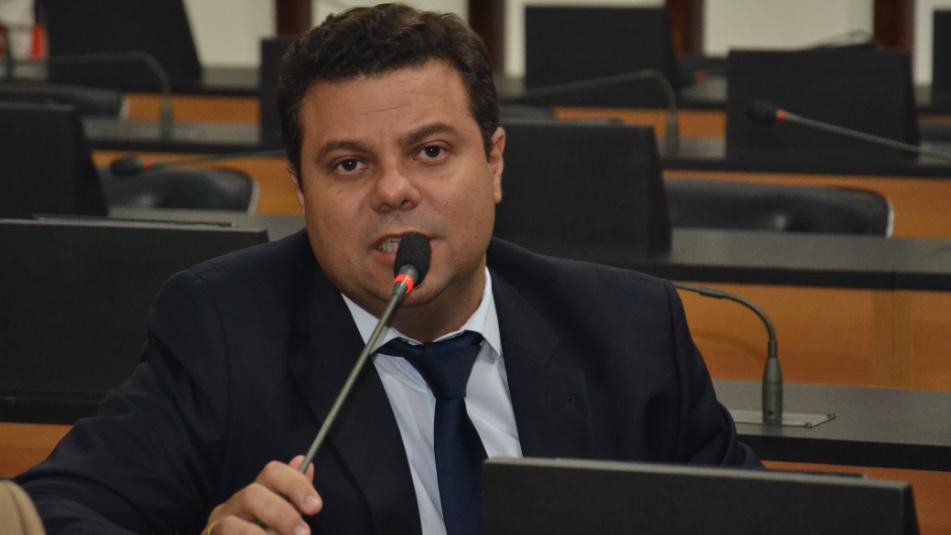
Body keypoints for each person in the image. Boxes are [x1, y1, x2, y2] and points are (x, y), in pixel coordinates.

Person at [17, 4, 759, 534]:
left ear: (494, 163)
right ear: (300, 188)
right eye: (349, 164)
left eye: (431, 152)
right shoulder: (224, 331)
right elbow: (50, 510)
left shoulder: (629, 330)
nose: (394, 190)